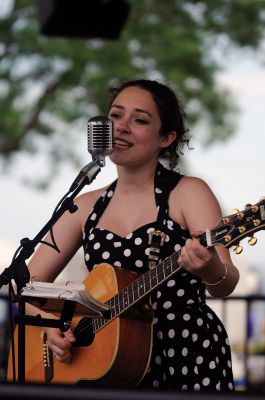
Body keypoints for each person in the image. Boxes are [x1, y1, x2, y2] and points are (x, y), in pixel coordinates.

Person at [24, 79, 239, 392]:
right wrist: (51, 328)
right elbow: (25, 285)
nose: (121, 127)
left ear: (166, 137)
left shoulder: (188, 193)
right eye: (115, 116)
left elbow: (226, 283)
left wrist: (210, 268)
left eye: (139, 120)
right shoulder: (84, 205)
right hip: (110, 364)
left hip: (185, 355)